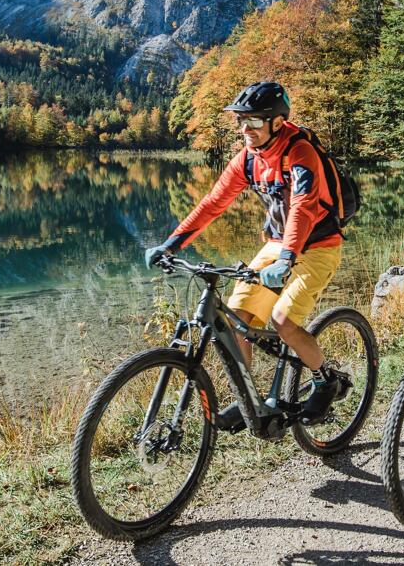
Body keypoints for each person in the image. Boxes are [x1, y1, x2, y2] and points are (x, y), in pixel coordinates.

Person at [144, 81, 350, 430]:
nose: (245, 130)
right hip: (276, 245)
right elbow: (213, 203)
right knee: (237, 317)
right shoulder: (248, 160)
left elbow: (302, 207)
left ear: (278, 123)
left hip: (318, 247)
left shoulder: (301, 154)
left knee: (283, 320)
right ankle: (248, 397)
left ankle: (324, 379)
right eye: (241, 122)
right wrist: (171, 244)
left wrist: (286, 259)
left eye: (254, 122)